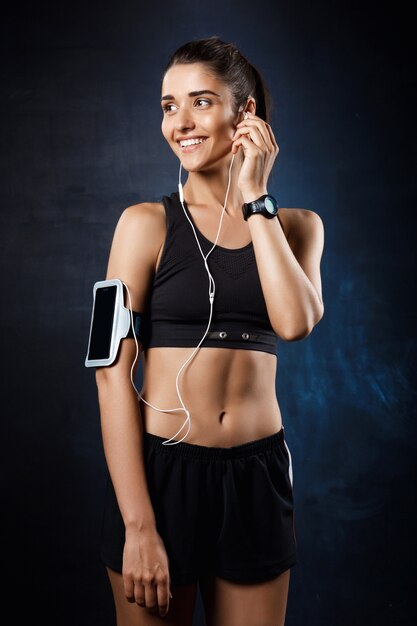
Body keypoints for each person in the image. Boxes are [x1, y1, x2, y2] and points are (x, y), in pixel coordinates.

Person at [95, 36, 324, 626]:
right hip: (162, 477)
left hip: (257, 478)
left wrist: (255, 196)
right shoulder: (142, 226)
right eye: (169, 106)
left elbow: (295, 323)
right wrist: (139, 525)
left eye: (200, 102)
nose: (180, 122)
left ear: (246, 114)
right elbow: (110, 375)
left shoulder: (297, 227)